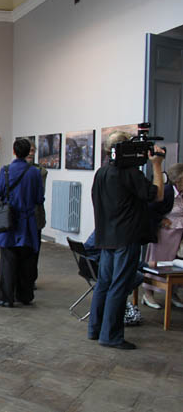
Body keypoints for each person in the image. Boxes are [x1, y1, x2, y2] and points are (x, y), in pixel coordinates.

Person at [89, 131, 165, 350]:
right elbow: (158, 195)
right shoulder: (130, 173)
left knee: (104, 284)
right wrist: (157, 165)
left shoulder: (102, 172)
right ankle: (111, 336)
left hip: (107, 237)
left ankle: (96, 329)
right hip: (126, 237)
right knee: (119, 286)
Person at [0, 138, 44, 307]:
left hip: (9, 220)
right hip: (28, 222)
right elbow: (39, 198)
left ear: (14, 151)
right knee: (27, 259)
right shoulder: (35, 172)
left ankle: (6, 297)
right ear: (28, 152)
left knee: (8, 259)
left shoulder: (6, 171)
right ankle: (25, 295)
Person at [143, 163, 183, 308]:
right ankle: (148, 294)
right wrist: (161, 220)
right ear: (178, 179)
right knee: (156, 263)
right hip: (163, 235)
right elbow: (149, 209)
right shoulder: (167, 191)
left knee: (175, 266)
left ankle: (172, 293)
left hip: (178, 235)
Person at [26, 140, 48, 289]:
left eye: (33, 150)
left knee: (34, 250)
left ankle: (30, 279)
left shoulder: (41, 171)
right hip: (18, 217)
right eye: (28, 150)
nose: (30, 153)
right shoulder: (9, 170)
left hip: (35, 216)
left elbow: (38, 195)